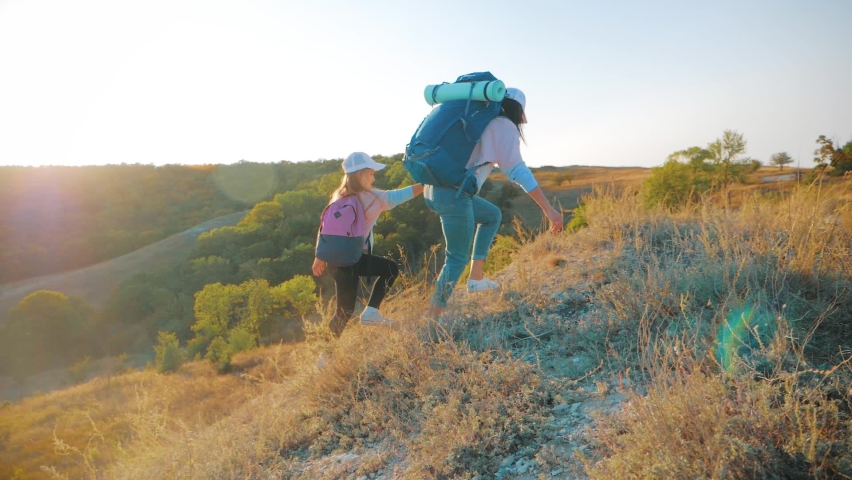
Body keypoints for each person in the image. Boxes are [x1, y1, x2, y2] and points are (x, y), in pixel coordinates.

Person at [424, 88, 563, 317]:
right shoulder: (503, 125)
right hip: (454, 195)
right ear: (518, 109)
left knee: (491, 215)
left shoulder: (477, 120)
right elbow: (517, 170)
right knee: (456, 258)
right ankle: (432, 319)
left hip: (436, 190)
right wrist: (549, 210)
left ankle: (476, 278)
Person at [312, 152, 424, 337]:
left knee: (389, 269)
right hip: (351, 260)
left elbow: (325, 227)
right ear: (360, 175)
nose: (373, 178)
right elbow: (401, 195)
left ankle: (371, 312)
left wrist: (320, 255)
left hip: (337, 259)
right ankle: (325, 354)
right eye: (371, 173)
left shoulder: (338, 196)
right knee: (344, 311)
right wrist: (429, 184)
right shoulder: (372, 198)